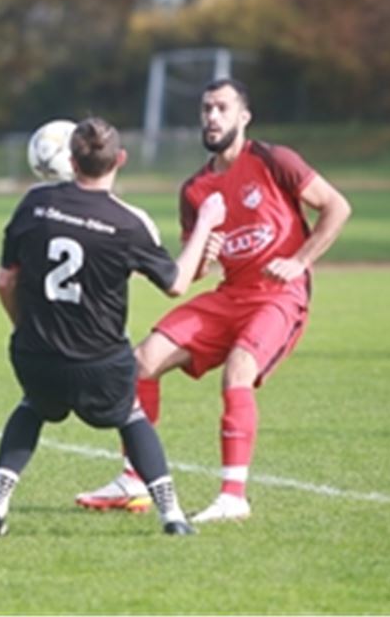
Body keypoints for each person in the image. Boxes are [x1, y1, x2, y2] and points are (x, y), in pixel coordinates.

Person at [75, 77, 351, 523]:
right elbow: (197, 270)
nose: (212, 117)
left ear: (244, 116)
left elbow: (337, 207)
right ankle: (134, 480)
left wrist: (299, 261)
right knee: (141, 361)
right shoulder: (195, 189)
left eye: (222, 108)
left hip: (278, 296)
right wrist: (205, 248)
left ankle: (232, 496)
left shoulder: (274, 160)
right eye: (206, 109)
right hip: (230, 295)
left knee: (239, 369)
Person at [0, 117, 226, 538]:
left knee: (32, 408)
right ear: (120, 159)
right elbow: (177, 283)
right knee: (131, 416)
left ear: (71, 161)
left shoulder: (33, 203)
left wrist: (26, 329)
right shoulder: (130, 222)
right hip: (100, 362)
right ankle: (173, 516)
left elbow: (5, 281)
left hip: (35, 355)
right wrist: (205, 225)